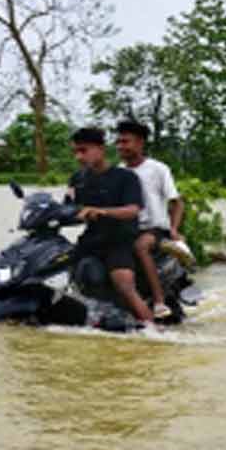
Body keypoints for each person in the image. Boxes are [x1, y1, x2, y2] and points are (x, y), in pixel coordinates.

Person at [67, 126, 154, 324]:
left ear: (101, 149)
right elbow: (68, 208)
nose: (78, 157)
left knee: (124, 285)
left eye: (83, 150)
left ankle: (155, 331)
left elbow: (133, 209)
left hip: (119, 240)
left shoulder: (126, 177)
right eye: (75, 152)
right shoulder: (77, 179)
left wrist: (103, 211)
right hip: (90, 241)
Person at [115, 120, 191, 319]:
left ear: (140, 143)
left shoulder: (158, 169)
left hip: (154, 230)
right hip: (126, 229)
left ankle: (158, 301)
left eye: (125, 142)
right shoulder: (118, 172)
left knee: (141, 246)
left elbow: (176, 202)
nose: (120, 146)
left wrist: (174, 229)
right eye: (118, 142)